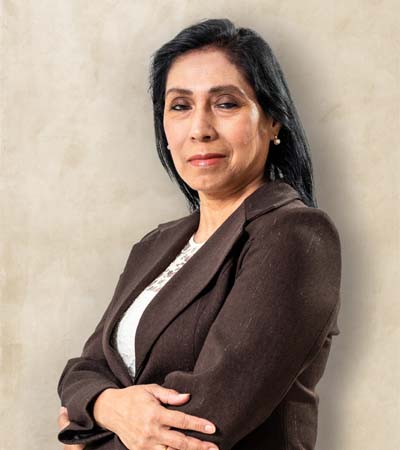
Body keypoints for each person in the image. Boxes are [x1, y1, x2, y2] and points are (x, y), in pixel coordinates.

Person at [57, 18, 342, 450]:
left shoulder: (295, 236)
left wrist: (86, 433)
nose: (200, 129)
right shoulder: (156, 245)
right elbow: (82, 371)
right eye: (180, 106)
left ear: (273, 121)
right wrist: (106, 405)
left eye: (225, 104)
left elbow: (202, 423)